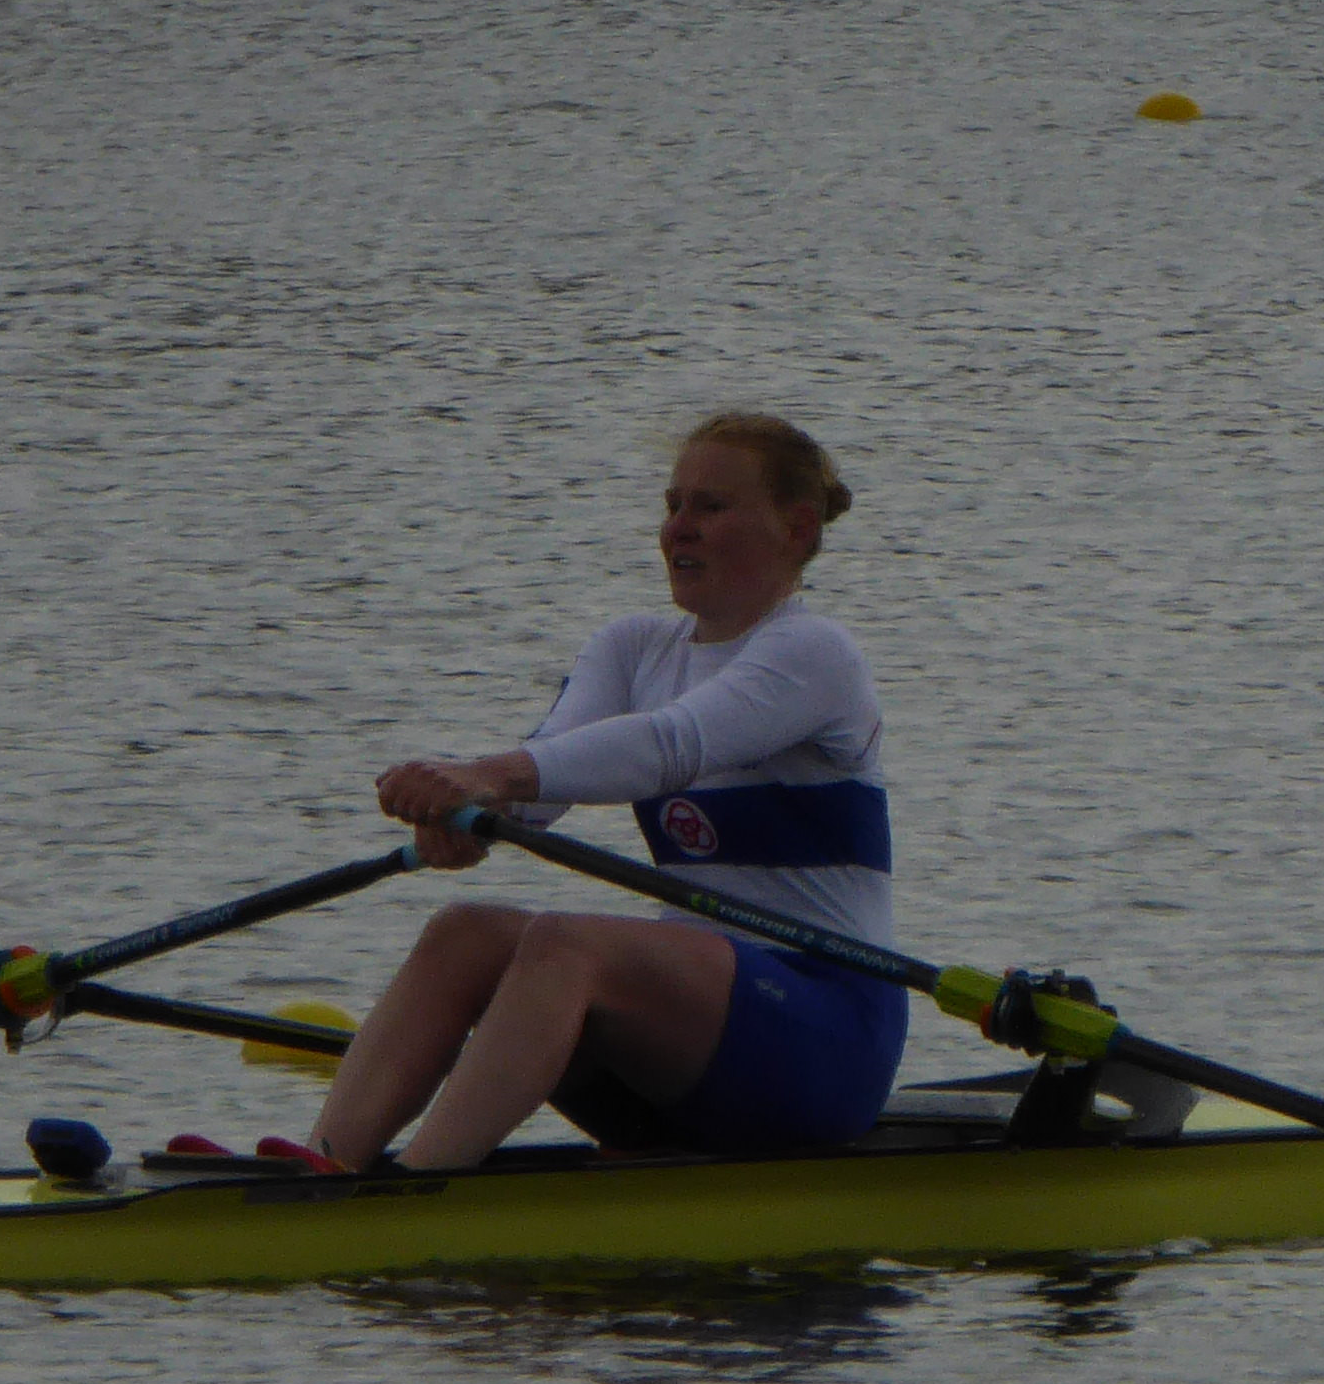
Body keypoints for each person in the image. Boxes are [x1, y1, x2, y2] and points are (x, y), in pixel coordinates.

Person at [283, 412, 904, 1176]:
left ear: (797, 529)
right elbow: (541, 787)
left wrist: (487, 775)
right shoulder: (633, 647)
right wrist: (473, 818)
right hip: (691, 1045)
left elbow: (671, 747)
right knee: (464, 932)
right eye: (673, 505)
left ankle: (422, 1186)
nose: (680, 528)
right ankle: (325, 1169)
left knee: (567, 944)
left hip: (825, 1038)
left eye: (711, 508)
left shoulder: (815, 653)